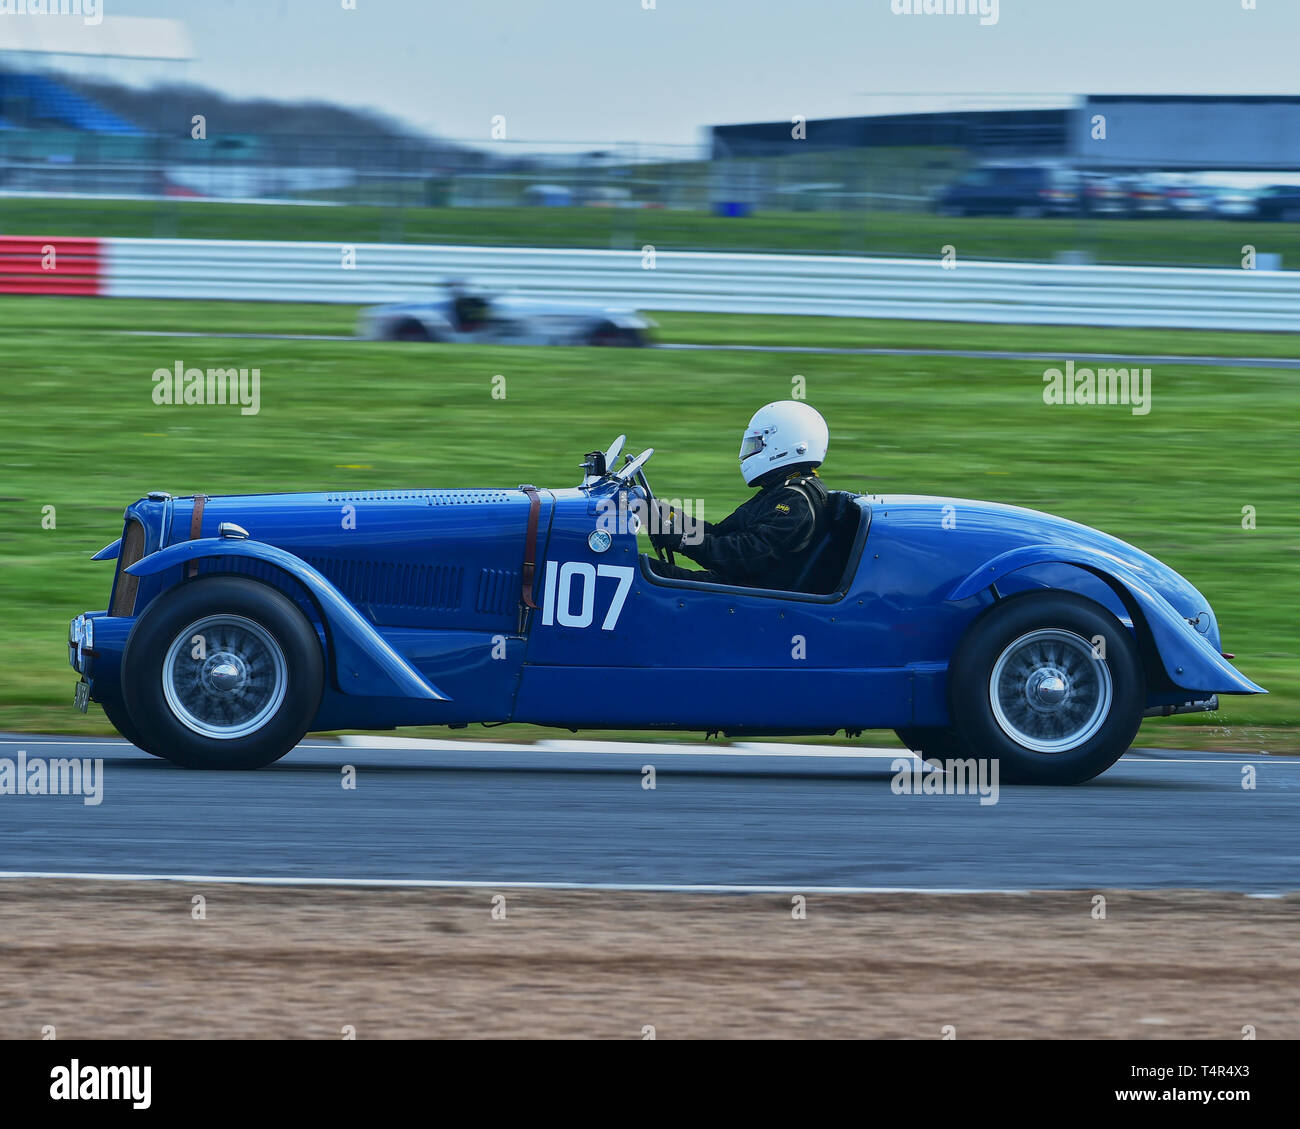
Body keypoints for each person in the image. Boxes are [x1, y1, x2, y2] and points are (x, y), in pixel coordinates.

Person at [648, 400, 830, 590]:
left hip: (748, 598)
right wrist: (662, 514)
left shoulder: (796, 501)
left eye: (756, 445)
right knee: (639, 567)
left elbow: (745, 556)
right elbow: (720, 533)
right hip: (737, 587)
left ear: (785, 446)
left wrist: (681, 539)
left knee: (635, 570)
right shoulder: (782, 490)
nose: (749, 453)